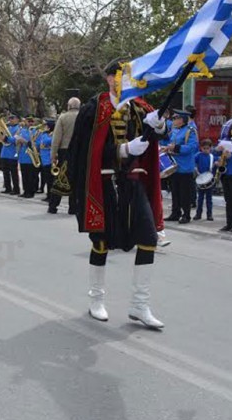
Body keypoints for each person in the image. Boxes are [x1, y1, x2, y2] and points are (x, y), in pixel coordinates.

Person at [68, 58, 167, 329]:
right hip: (103, 183)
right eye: (120, 76)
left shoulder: (140, 106)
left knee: (148, 239)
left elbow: (161, 133)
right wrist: (121, 151)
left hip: (134, 184)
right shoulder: (93, 109)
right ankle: (96, 299)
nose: (124, 82)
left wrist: (159, 125)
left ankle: (139, 305)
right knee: (101, 242)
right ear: (109, 79)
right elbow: (84, 150)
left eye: (129, 77)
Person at [163, 109, 198, 224]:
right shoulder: (174, 131)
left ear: (182, 120)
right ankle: (175, 212)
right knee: (175, 191)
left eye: (175, 118)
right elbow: (171, 143)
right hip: (174, 165)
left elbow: (192, 147)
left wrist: (176, 148)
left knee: (184, 193)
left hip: (185, 166)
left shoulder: (190, 131)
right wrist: (166, 148)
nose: (173, 120)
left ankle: (186, 215)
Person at [49, 96, 80, 214]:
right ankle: (73, 207)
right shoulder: (83, 117)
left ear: (69, 106)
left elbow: (56, 138)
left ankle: (53, 206)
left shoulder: (63, 117)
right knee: (76, 179)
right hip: (78, 151)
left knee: (60, 178)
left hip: (65, 151)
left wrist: (53, 155)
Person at [193, 139, 216, 221]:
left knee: (209, 199)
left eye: (208, 148)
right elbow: (194, 163)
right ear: (201, 148)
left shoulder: (212, 156)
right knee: (200, 199)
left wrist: (216, 163)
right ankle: (198, 214)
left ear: (210, 148)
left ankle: (209, 214)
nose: (206, 150)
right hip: (200, 179)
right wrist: (196, 170)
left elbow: (217, 163)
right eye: (204, 148)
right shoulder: (198, 155)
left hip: (209, 180)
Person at [0, 114, 21, 195]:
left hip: (12, 153)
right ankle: (8, 188)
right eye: (10, 118)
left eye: (12, 118)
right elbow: (1, 138)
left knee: (14, 173)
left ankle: (16, 189)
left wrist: (6, 138)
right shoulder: (7, 128)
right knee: (5, 172)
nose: (10, 120)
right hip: (4, 153)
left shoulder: (19, 128)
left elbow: (15, 139)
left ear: (17, 119)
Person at [37, 119, 55, 203]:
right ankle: (49, 195)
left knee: (50, 180)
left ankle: (51, 196)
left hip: (49, 160)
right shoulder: (44, 134)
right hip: (45, 159)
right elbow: (45, 141)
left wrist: (53, 136)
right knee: (48, 180)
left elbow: (50, 141)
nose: (44, 127)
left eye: (46, 126)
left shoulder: (51, 135)